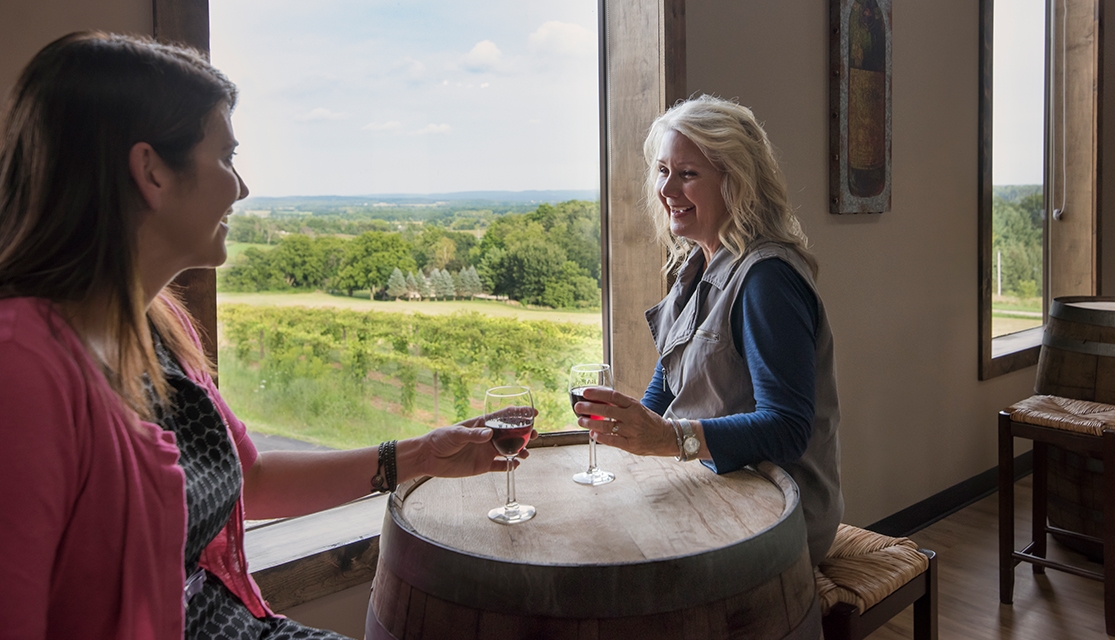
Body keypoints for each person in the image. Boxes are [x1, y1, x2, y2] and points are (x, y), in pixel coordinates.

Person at [0, 32, 524, 640]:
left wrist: (421, 455)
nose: (241, 188)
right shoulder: (22, 369)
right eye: (225, 158)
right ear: (151, 172)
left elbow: (251, 479)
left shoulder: (152, 326)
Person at [575, 95, 844, 567]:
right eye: (662, 170)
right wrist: (630, 426)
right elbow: (669, 380)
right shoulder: (697, 264)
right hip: (719, 486)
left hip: (780, 513)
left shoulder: (767, 279)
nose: (667, 189)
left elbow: (788, 428)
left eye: (688, 174)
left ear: (735, 182)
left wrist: (666, 439)